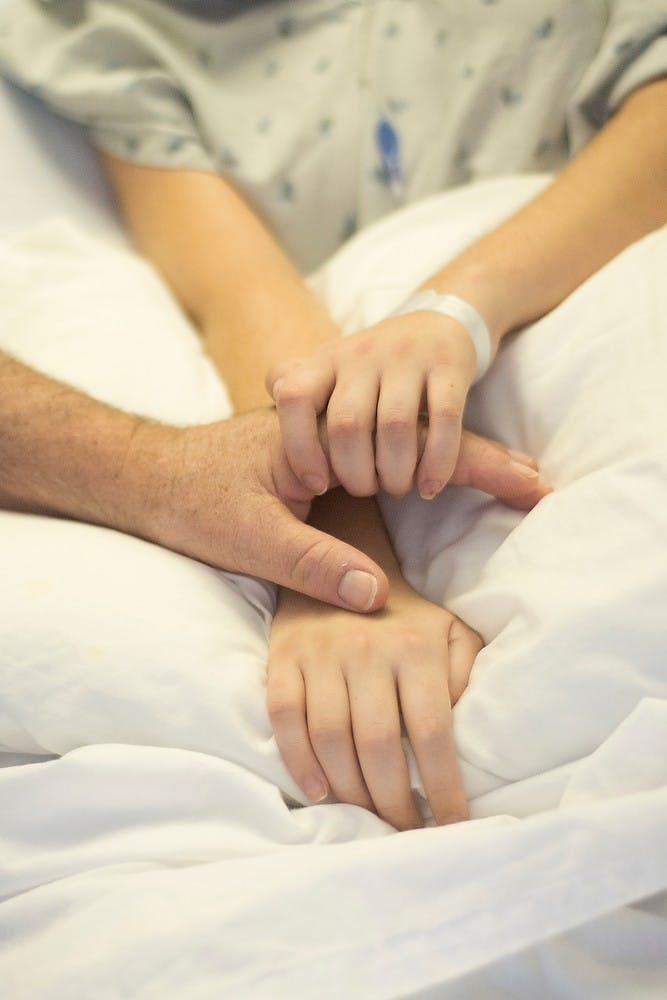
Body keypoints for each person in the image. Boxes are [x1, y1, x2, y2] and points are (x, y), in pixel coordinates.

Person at [0, 0, 666, 830]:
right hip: (344, 382)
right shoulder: (117, 28)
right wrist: (338, 569)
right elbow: (238, 288)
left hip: (565, 284)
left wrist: (455, 310)